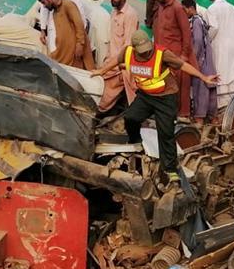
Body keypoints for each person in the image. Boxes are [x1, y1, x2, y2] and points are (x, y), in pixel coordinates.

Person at [90, 30, 217, 186]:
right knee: (130, 117)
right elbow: (116, 61)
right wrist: (101, 71)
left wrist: (204, 77)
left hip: (166, 97)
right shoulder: (127, 52)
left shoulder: (162, 54)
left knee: (166, 133)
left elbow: (183, 65)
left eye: (147, 49)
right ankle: (136, 142)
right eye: (142, 51)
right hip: (145, 96)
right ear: (134, 48)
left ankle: (170, 170)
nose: (146, 53)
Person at [150, 0, 195, 119]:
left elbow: (186, 33)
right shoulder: (161, 6)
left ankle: (182, 118)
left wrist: (184, 56)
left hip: (177, 56)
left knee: (179, 89)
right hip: (163, 55)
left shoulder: (177, 7)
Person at [97, 0, 140, 111]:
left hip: (119, 64)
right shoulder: (113, 12)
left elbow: (128, 45)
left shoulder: (130, 15)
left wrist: (115, 64)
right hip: (110, 61)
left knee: (103, 99)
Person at [37, 0, 93, 69]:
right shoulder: (54, 12)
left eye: (43, 2)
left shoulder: (68, 4)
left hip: (75, 52)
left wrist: (80, 44)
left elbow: (79, 24)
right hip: (63, 53)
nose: (44, 6)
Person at [182, 0, 217, 125]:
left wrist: (194, 60)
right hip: (208, 62)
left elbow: (197, 41)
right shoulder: (201, 20)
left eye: (184, 10)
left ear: (191, 8)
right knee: (211, 92)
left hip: (201, 63)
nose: (184, 13)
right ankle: (213, 119)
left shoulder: (196, 22)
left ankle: (199, 120)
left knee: (200, 91)